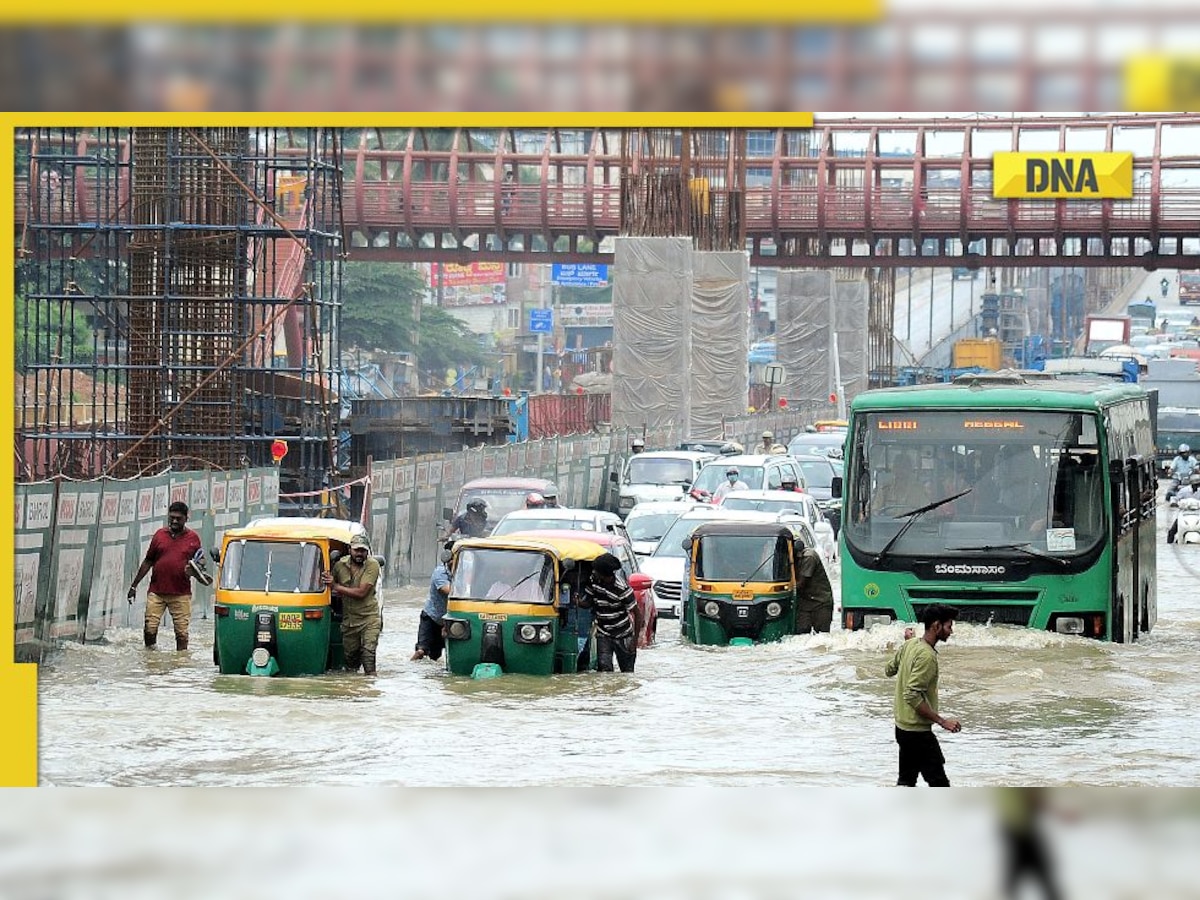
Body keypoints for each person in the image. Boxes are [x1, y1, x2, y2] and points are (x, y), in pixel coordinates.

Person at [884, 603, 962, 786]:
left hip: (901, 728)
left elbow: (889, 670)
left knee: (906, 781)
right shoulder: (927, 656)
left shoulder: (910, 645)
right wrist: (943, 721)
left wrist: (906, 646)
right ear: (936, 626)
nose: (951, 631)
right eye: (949, 626)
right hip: (917, 733)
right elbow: (911, 695)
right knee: (939, 784)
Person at [127, 500, 204, 650]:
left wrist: (196, 568)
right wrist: (134, 586)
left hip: (181, 594)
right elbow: (148, 561)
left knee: (181, 633)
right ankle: (150, 657)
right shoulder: (159, 535)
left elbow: (201, 560)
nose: (174, 521)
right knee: (150, 628)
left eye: (178, 518)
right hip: (157, 592)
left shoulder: (193, 538)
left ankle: (181, 664)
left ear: (186, 518)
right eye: (172, 517)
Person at [322, 534, 383, 675]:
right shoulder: (339, 566)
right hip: (349, 621)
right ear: (350, 550)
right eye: (357, 550)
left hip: (369, 618)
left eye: (363, 550)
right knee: (350, 661)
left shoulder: (372, 565)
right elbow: (327, 583)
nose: (360, 554)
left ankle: (370, 685)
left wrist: (335, 586)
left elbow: (361, 592)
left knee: (369, 654)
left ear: (367, 552)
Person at [995, 787, 1063, 900]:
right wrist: (1060, 814)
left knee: (1019, 871)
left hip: (1012, 825)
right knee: (1041, 870)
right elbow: (1032, 797)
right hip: (1021, 828)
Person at [577, 552, 641, 673]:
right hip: (603, 633)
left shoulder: (622, 589)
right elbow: (588, 602)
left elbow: (638, 614)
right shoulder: (593, 581)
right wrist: (578, 602)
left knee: (627, 672)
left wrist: (634, 641)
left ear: (603, 573)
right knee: (604, 670)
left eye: (596, 570)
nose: (593, 572)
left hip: (623, 635)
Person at [412, 545, 451, 662]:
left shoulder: (466, 569)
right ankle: (409, 672)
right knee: (421, 651)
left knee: (436, 656)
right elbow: (446, 590)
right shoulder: (440, 572)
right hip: (432, 618)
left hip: (450, 619)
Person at [794, 544, 834, 633]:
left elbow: (801, 583)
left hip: (821, 601)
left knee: (822, 636)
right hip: (804, 603)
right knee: (801, 634)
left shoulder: (809, 557)